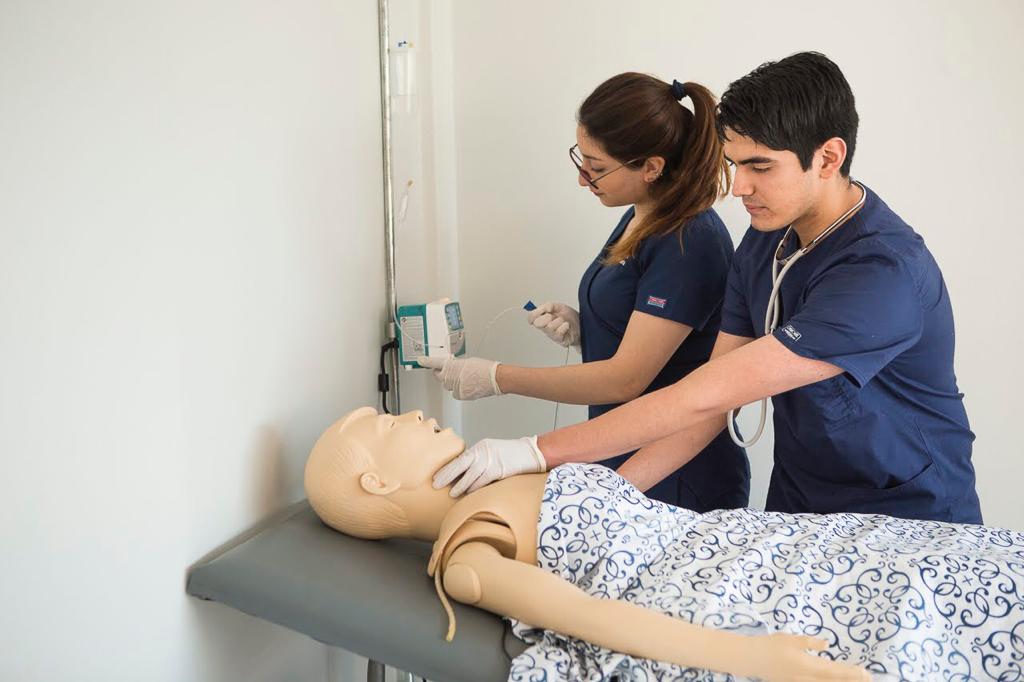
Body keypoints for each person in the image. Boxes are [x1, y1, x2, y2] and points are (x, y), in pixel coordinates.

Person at [434, 52, 981, 525]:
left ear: (829, 158)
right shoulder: (765, 245)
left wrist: (535, 452)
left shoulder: (882, 273)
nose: (739, 187)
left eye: (760, 167)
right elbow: (709, 405)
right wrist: (612, 498)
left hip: (907, 515)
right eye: (735, 164)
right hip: (802, 502)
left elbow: (706, 394)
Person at [306, 408, 1024, 681]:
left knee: (954, 561)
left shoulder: (506, 474)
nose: (418, 411)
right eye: (389, 422)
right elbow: (602, 622)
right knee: (934, 605)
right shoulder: (471, 557)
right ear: (375, 481)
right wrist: (756, 657)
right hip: (715, 596)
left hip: (745, 542)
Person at [419, 72, 748, 511]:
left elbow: (627, 378)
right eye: (581, 160)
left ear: (651, 167)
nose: (583, 179)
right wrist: (587, 327)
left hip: (675, 476)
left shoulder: (689, 240)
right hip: (617, 454)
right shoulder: (641, 214)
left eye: (596, 168)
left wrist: (497, 377)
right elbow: (646, 329)